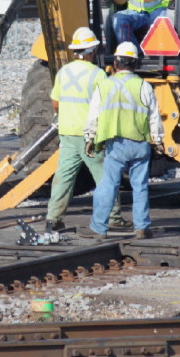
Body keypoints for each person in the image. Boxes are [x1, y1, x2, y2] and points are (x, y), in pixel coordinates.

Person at [81, 42, 165, 241]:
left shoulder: (104, 86)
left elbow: (93, 116)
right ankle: (142, 227)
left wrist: (89, 138)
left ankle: (99, 228)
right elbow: (154, 116)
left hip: (116, 144)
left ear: (116, 63)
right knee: (140, 186)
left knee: (109, 184)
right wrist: (158, 140)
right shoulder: (144, 86)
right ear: (135, 64)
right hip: (140, 143)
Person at [45, 27, 125, 232]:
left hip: (67, 133)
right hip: (90, 136)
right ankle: (113, 217)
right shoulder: (98, 75)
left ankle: (53, 219)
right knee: (105, 176)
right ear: (91, 51)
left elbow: (56, 103)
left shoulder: (63, 72)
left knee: (64, 176)